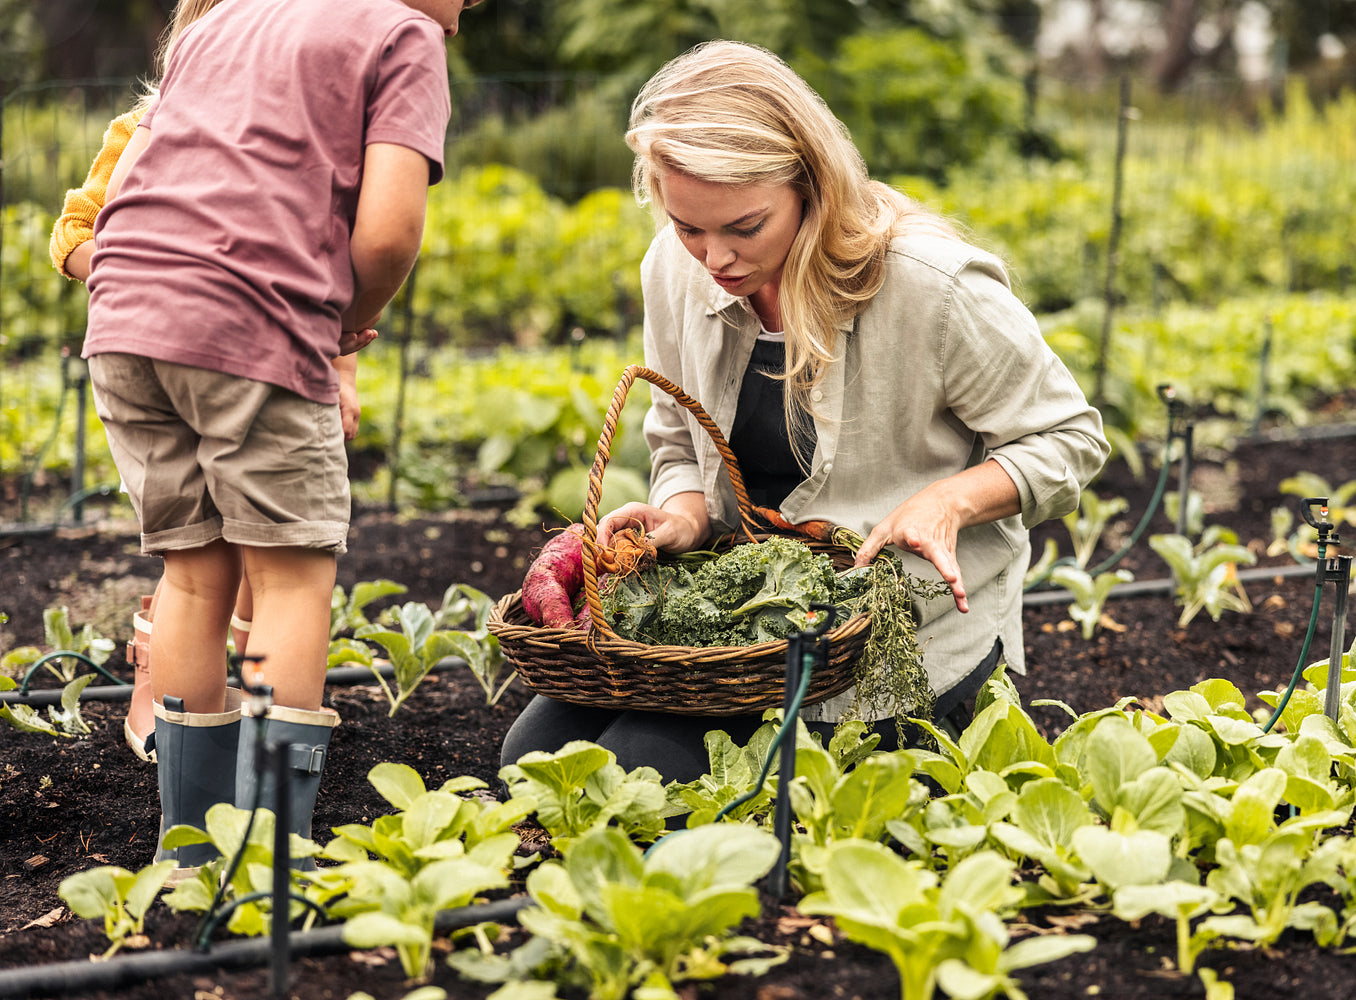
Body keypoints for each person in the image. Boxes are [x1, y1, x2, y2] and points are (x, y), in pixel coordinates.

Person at [499, 40, 1110, 785]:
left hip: (889, 634)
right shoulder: (672, 268)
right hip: (746, 619)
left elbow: (1070, 439)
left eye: (744, 227)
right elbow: (677, 439)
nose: (713, 258)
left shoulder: (931, 287)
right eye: (689, 226)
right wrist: (684, 514)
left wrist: (949, 501)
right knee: (535, 761)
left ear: (810, 187)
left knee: (634, 776)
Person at [83, 0, 473, 879]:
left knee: (194, 575)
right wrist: (344, 324)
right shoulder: (401, 34)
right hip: (250, 324)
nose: (459, 21)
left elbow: (136, 173)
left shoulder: (224, 15)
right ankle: (265, 862)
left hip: (125, 319)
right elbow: (389, 232)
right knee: (294, 581)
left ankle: (191, 853)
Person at [48, 0, 369, 766]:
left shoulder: (284, 130)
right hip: (184, 349)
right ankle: (179, 721)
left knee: (247, 562)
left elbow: (327, 257)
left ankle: (234, 735)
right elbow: (72, 232)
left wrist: (343, 373)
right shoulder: (145, 126)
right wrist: (149, 270)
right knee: (212, 559)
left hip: (237, 350)